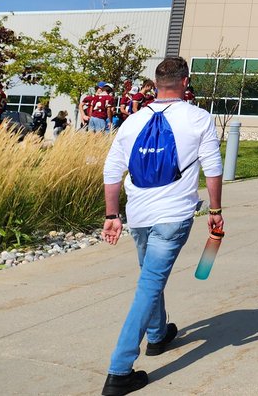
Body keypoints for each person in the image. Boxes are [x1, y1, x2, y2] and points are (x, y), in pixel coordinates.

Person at [100, 56, 223, 396]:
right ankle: (119, 370)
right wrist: (215, 209)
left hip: (138, 215)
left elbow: (112, 173)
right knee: (149, 285)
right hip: (173, 214)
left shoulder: (132, 120)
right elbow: (213, 168)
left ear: (156, 84)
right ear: (186, 82)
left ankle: (157, 335)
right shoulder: (199, 117)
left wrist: (113, 216)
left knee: (150, 279)